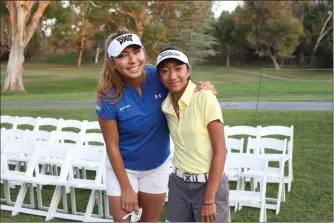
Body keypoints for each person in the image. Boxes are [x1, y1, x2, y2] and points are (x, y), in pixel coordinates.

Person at [95, 27, 216, 222]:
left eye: (136, 52)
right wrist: (126, 187)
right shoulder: (108, 97)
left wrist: (204, 87)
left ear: (143, 52)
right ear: (112, 62)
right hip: (123, 170)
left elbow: (183, 83)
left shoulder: (159, 77)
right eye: (123, 55)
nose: (132, 60)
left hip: (157, 166)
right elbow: (112, 145)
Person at [156, 46, 230, 222]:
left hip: (209, 183)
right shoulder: (165, 105)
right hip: (178, 184)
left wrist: (209, 198)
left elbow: (221, 150)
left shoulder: (204, 96)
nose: (172, 76)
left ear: (188, 71)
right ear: (159, 76)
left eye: (178, 69)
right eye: (165, 71)